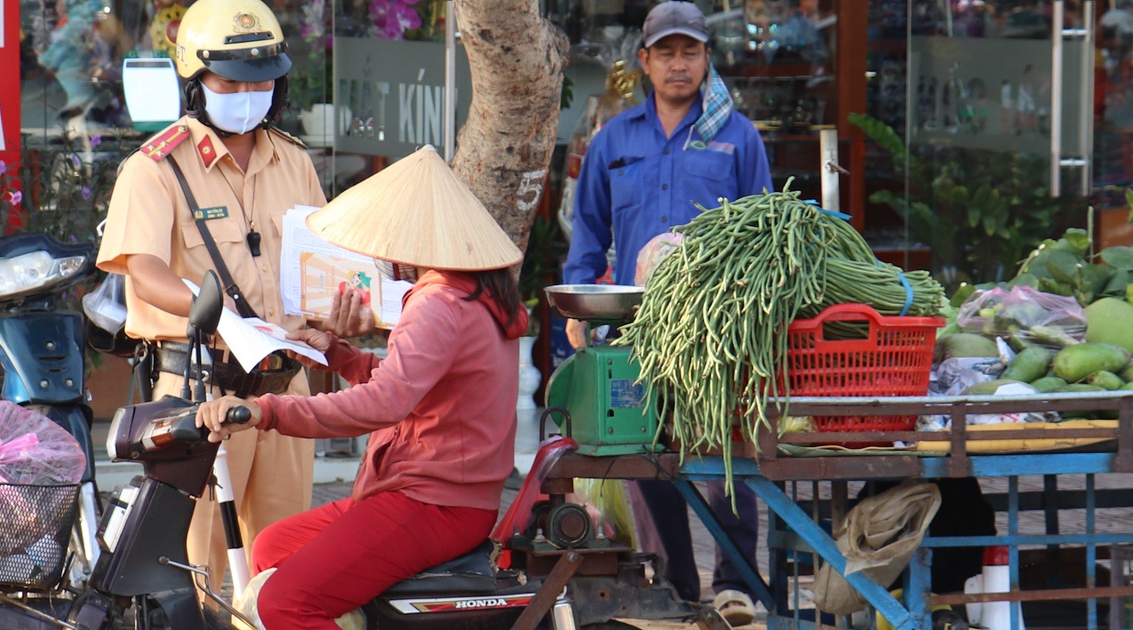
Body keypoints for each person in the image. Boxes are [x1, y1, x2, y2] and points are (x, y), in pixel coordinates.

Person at [194, 145, 528, 630]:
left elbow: (386, 401)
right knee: (272, 548)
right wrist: (338, 355)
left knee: (280, 604)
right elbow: (416, 386)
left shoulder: (438, 303)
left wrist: (269, 410)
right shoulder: (472, 292)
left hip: (431, 501)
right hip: (439, 495)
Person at [95, 0, 327, 593]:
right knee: (194, 570)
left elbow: (321, 264)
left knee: (287, 564)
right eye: (232, 80)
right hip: (201, 387)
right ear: (195, 80)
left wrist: (336, 316)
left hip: (285, 386)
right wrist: (218, 316)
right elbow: (144, 271)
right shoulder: (156, 167)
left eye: (261, 80)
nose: (249, 93)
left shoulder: (294, 160)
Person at [561, 2, 773, 626]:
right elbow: (588, 233)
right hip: (638, 328)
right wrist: (578, 307)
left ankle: (735, 586)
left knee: (727, 456)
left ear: (706, 59)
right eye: (667, 53)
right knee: (646, 456)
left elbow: (764, 232)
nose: (679, 64)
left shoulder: (737, 135)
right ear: (645, 61)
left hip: (717, 329)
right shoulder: (613, 139)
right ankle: (678, 585)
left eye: (690, 52)